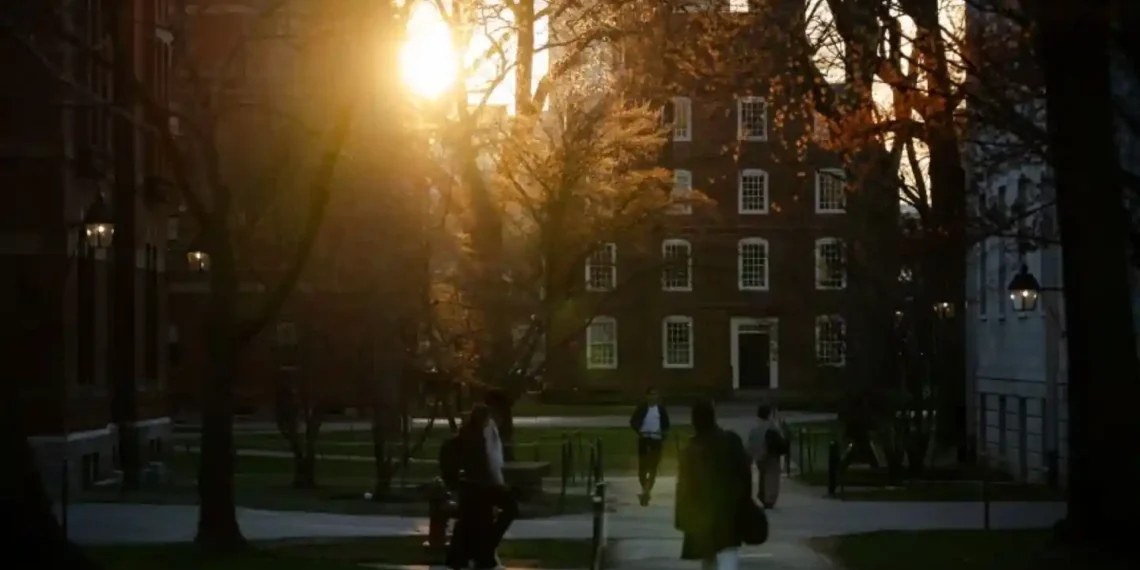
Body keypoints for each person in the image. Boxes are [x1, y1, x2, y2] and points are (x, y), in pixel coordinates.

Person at [675, 400, 752, 570]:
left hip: (703, 517)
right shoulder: (731, 441)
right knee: (729, 554)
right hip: (729, 512)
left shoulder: (690, 450)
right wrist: (745, 503)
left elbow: (684, 489)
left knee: (708, 559)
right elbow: (745, 475)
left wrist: (683, 520)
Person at [443, 404, 496, 570]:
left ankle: (460, 557)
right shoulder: (477, 437)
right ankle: (479, 557)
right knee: (479, 522)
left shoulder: (467, 432)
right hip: (477, 485)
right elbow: (481, 462)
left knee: (466, 523)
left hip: (468, 485)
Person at [481, 389, 519, 565]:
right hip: (487, 482)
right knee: (510, 509)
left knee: (490, 517)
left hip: (488, 481)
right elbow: (491, 458)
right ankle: (487, 546)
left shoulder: (491, 428)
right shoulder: (488, 429)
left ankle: (487, 549)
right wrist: (499, 483)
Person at [629, 386, 671, 506]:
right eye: (650, 394)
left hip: (656, 440)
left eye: (655, 394)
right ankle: (644, 486)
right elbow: (633, 421)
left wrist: (663, 436)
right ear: (646, 396)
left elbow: (666, 425)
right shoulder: (642, 408)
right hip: (644, 439)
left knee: (653, 467)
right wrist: (639, 430)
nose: (653, 397)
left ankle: (647, 490)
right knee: (643, 467)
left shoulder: (661, 409)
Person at [747, 404, 786, 509]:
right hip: (771, 454)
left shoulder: (754, 427)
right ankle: (769, 499)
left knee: (763, 476)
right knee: (771, 477)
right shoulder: (772, 426)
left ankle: (762, 495)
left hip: (759, 457)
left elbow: (751, 443)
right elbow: (780, 440)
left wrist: (750, 456)